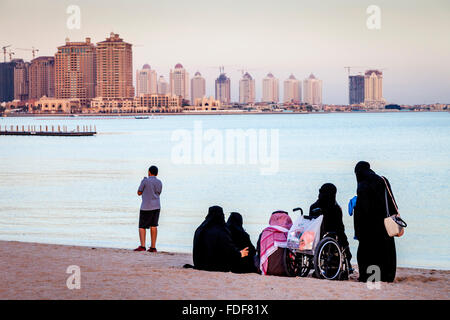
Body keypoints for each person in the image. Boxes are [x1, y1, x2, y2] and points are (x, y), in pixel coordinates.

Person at [353, 161, 397, 282]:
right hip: (384, 224)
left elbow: (363, 209)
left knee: (368, 252)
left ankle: (369, 277)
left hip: (369, 226)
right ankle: (387, 277)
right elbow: (391, 200)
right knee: (385, 251)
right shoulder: (382, 180)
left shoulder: (362, 185)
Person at [192, 206, 249, 272]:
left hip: (199, 264)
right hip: (215, 267)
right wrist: (240, 254)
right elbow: (228, 248)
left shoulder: (200, 229)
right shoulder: (221, 231)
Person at [309, 183, 352, 267]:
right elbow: (340, 228)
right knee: (341, 239)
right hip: (330, 236)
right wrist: (345, 243)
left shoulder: (313, 207)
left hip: (314, 236)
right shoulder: (335, 208)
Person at [254, 210, 293, 276]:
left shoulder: (265, 233)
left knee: (254, 257)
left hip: (269, 270)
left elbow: (259, 250)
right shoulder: (290, 234)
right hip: (286, 271)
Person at [134, 165, 162, 252]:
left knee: (142, 226)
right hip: (156, 206)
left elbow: (139, 192)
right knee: (154, 225)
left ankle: (142, 246)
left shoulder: (145, 181)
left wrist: (143, 182)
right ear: (157, 173)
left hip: (146, 206)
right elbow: (159, 193)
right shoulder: (160, 182)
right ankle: (153, 247)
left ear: (149, 172)